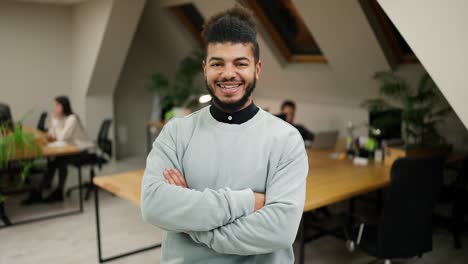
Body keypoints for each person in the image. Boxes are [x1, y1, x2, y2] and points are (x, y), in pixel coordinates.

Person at [141, 6, 309, 263]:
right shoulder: (176, 133)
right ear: (205, 68)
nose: (228, 73)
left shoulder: (286, 139)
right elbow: (154, 206)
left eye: (240, 63)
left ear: (257, 69)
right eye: (217, 63)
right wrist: (247, 201)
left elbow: (280, 230)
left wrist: (192, 225)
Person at [22, 96, 94, 204]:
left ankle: (45, 191)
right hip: (70, 149)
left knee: (58, 161)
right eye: (55, 105)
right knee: (57, 161)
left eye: (57, 105)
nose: (54, 108)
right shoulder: (61, 118)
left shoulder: (72, 118)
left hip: (84, 150)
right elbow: (52, 134)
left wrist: (55, 121)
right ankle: (51, 191)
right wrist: (53, 127)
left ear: (64, 106)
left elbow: (61, 137)